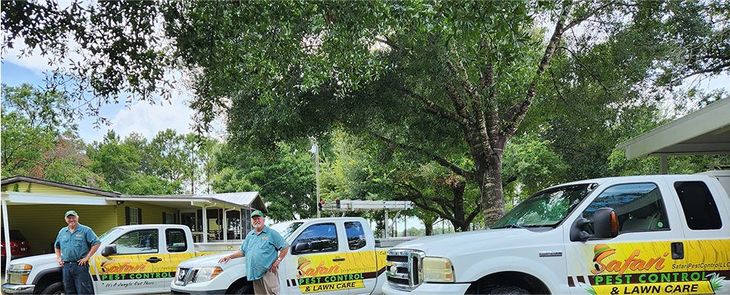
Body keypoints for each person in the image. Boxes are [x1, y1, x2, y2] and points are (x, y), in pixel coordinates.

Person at [219, 210, 288, 295]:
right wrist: (229, 256)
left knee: (271, 293)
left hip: (268, 272)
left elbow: (285, 247)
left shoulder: (272, 233)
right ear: (251, 221)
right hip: (255, 274)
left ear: (263, 220)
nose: (256, 221)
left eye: (258, 218)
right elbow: (243, 251)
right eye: (254, 219)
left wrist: (278, 261)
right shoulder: (250, 235)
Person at [54, 210, 101, 295]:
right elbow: (57, 246)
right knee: (69, 290)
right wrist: (58, 257)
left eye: (73, 217)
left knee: (84, 291)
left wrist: (87, 257)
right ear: (65, 219)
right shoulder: (62, 232)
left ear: (77, 218)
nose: (71, 220)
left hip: (80, 266)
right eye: (69, 218)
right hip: (66, 266)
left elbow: (96, 243)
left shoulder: (86, 230)